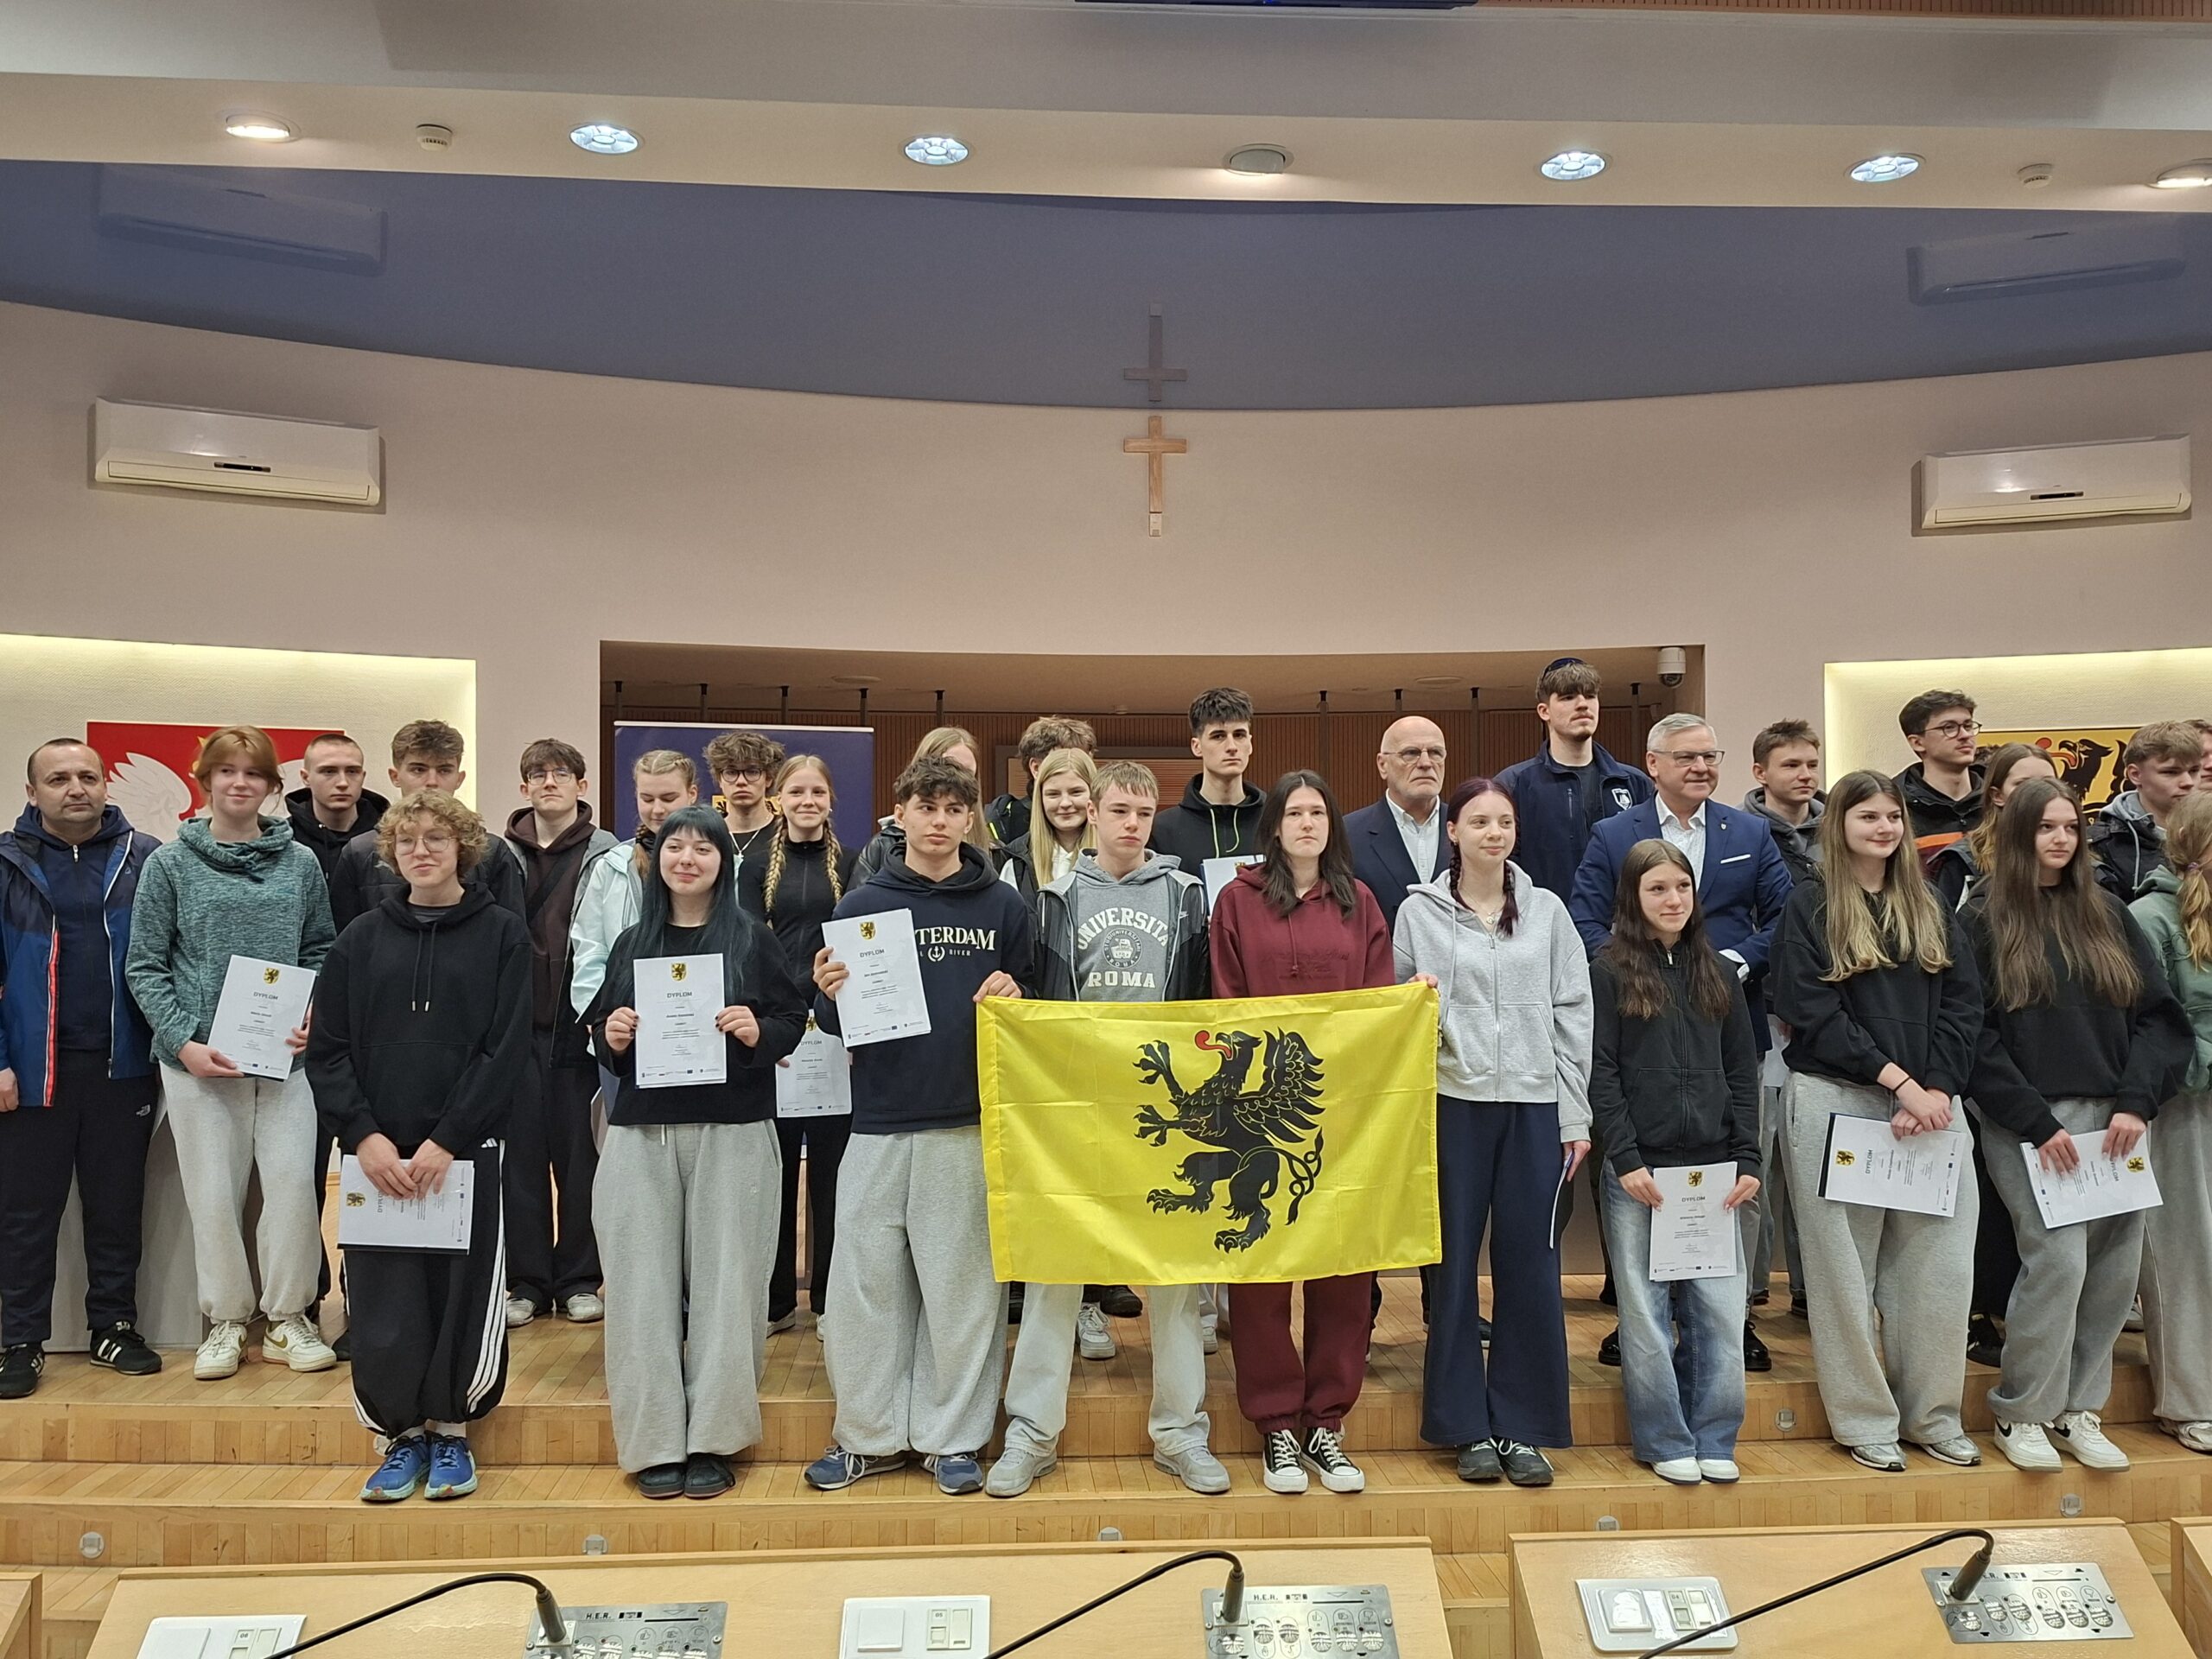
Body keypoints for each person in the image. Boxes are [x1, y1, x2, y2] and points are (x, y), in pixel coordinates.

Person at [988, 761, 1229, 1498]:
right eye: (1119, 810)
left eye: (1144, 813)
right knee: (1056, 1271)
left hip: (1164, 1113)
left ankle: (1181, 1433)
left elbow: (1204, 997)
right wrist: (1008, 993)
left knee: (1174, 1278)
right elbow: (1039, 999)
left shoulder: (1186, 894)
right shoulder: (1055, 898)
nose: (1132, 824)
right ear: (1091, 813)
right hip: (1080, 1111)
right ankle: (1032, 1432)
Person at [804, 756, 1034, 1496]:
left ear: (971, 818)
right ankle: (866, 1437)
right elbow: (838, 1022)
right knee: (864, 1291)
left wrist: (1017, 990)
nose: (939, 821)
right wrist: (826, 993)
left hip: (965, 1123)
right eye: (925, 807)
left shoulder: (1003, 906)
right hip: (876, 1121)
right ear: (899, 813)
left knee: (961, 1294)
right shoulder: (862, 903)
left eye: (953, 808)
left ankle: (953, 1440)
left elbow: (1033, 1007)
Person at [308, 791, 529, 1503]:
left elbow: (504, 1050)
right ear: (391, 852)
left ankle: (453, 1432)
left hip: (464, 1151)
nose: (421, 850)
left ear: (463, 848)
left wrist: (447, 1140)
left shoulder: (502, 935)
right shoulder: (359, 939)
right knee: (385, 1298)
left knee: (459, 1293)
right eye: (407, 840)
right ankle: (400, 1436)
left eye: (437, 838)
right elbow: (328, 1050)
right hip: (376, 1157)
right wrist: (364, 1137)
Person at [1965, 776, 2190, 1472]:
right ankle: (2023, 1410)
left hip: (2117, 1120)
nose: (2061, 839)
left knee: (2115, 1270)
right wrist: (2035, 1122)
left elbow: (2159, 1019)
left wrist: (2136, 1102)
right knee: (2059, 1262)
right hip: (2032, 1122)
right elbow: (1974, 1036)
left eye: (2070, 827)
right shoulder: (1983, 917)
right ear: (2016, 834)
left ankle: (2079, 1408)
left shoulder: (2108, 912)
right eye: (2045, 828)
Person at [588, 805, 809, 1497]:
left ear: (723, 862)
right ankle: (653, 1441)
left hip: (734, 1130)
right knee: (639, 1290)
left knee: (729, 1287)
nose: (687, 859)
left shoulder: (752, 939)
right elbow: (602, 1033)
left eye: (702, 849)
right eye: (675, 848)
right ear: (657, 861)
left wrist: (755, 1030)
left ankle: (715, 1436)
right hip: (641, 1134)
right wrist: (612, 1036)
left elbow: (789, 1022)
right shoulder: (632, 943)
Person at [1772, 771, 1984, 1472]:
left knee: (1940, 1274)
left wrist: (1936, 1088)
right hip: (1840, 1100)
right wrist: (1898, 1083)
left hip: (1933, 1110)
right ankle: (1866, 1420)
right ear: (1839, 825)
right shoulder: (1810, 905)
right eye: (1868, 816)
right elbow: (1810, 1009)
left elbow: (1965, 1004)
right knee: (1844, 1276)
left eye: (1893, 816)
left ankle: (1934, 1417)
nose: (1885, 828)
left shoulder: (1930, 904)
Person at [1570, 714, 1793, 1370]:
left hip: (1725, 1019)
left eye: (1710, 756)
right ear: (1653, 763)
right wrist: (1631, 972)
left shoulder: (1749, 833)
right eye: (1687, 757)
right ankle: (1641, 1316)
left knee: (1733, 1178)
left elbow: (1784, 915)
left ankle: (1731, 1316)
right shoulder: (1615, 834)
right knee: (1636, 1182)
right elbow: (1586, 917)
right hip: (1638, 1025)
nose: (1701, 767)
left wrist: (1735, 965)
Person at [1395, 777, 1592, 1489]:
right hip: (1453, 1104)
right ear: (1452, 831)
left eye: (1504, 822)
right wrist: (1421, 1008)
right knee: (1451, 1270)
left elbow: (1573, 1014)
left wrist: (1574, 1114)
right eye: (1478, 821)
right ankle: (1463, 1425)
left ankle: (1523, 1425)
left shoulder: (1548, 912)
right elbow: (1396, 1016)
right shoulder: (1418, 913)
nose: (1493, 833)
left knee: (1531, 1268)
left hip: (1535, 1107)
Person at [124, 725, 336, 1382]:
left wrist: (311, 1008)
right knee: (213, 1196)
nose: (240, 782)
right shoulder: (169, 864)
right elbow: (145, 965)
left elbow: (321, 947)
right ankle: (226, 1321)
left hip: (286, 1062)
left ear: (272, 785)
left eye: (253, 773)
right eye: (226, 771)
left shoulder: (301, 863)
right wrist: (183, 1042)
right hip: (200, 1064)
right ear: (206, 780)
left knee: (293, 1191)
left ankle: (289, 1318)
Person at [1211, 770, 1394, 1497]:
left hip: (1344, 1115)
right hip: (1261, 1115)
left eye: (1319, 812)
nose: (1308, 823)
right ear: (1275, 827)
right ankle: (1277, 1425)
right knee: (1261, 1270)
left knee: (1344, 1270)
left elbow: (1378, 1004)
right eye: (1295, 813)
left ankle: (1326, 1422)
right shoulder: (1237, 901)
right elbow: (1226, 1001)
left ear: (1332, 825)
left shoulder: (1360, 902)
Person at [1589, 839, 1760, 1485]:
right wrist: (1626, 1157)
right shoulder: (1609, 971)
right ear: (1633, 897)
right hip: (1640, 1173)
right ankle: (1664, 1439)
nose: (1672, 900)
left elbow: (1741, 1072)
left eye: (1682, 887)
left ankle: (1715, 1436)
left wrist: (1747, 1156)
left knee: (1719, 1312)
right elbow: (1602, 1073)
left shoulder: (1719, 972)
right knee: (1645, 1315)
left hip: (1714, 1174)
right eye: (1657, 888)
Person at [0, 740, 163, 1399]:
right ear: (32, 792)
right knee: (25, 1212)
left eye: (88, 776)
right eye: (59, 778)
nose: (76, 788)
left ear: (104, 785)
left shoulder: (146, 858)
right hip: (31, 1071)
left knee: (116, 1206)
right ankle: (19, 1339)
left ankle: (113, 1326)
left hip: (124, 1065)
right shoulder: (5, 863)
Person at [1928, 744, 2059, 1368]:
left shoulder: (2077, 877)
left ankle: (2025, 1314)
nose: (2040, 798)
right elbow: (1953, 965)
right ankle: (1980, 1311)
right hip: (1990, 1059)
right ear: (1998, 794)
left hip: (2056, 1067)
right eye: (2026, 786)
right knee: (1985, 1195)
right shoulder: (1965, 864)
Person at [737, 754, 859, 1333]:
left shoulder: (854, 864)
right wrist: (770, 1029)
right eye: (796, 792)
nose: (807, 801)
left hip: (836, 1033)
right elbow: (745, 948)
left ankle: (831, 1300)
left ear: (831, 800)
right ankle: (777, 1300)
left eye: (817, 791)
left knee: (833, 1175)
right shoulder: (752, 865)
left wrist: (849, 1026)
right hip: (779, 1035)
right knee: (777, 1174)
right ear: (778, 799)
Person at [501, 738, 615, 1329]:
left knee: (580, 1161)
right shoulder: (497, 854)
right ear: (524, 787)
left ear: (581, 785)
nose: (550, 782)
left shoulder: (609, 854)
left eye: (562, 773)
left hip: (578, 1028)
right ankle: (526, 1282)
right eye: (538, 774)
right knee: (519, 1161)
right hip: (515, 1029)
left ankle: (577, 1280)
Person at [565, 747, 701, 1179]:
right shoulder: (612, 866)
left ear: (692, 794)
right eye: (647, 798)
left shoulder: (720, 863)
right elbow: (589, 949)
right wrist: (599, 1017)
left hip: (697, 1028)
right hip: (627, 1031)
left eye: (669, 798)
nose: (657, 809)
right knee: (635, 1165)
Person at [2129, 791, 2212, 1454]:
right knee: (2185, 1253)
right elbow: (2154, 1028)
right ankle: (2190, 1401)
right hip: (2182, 1106)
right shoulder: (2148, 917)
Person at [1739, 718, 1826, 1316]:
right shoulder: (1739, 834)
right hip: (1763, 1015)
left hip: (1827, 1021)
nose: (1804, 775)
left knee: (1812, 1166)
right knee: (1756, 1159)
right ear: (1761, 772)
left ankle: (1811, 1291)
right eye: (1791, 765)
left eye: (1811, 764)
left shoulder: (1839, 832)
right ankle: (1747, 1292)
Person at [328, 721, 523, 931]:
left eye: (444, 770)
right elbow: (344, 937)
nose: (432, 782)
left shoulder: (491, 851)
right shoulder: (359, 852)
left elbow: (512, 934)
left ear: (459, 778)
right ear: (395, 776)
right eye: (418, 769)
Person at [1497, 658, 1652, 903]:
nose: (1582, 705)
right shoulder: (1513, 785)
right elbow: (1500, 865)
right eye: (1568, 697)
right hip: (1545, 922)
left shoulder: (1635, 783)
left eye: (1590, 696)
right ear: (1544, 711)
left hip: (1622, 924)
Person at [1346, 716, 1452, 931]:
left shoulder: (1468, 828)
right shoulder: (1347, 834)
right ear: (1382, 765)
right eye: (1411, 753)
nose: (1426, 763)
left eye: (1435, 753)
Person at [1151, 689, 1264, 883]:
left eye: (1239, 735)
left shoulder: (1277, 821)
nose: (1232, 747)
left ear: (1250, 744)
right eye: (1218, 736)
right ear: (1197, 746)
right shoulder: (1162, 830)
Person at [1929, 744, 2059, 913]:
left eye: (2048, 783)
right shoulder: (1963, 861)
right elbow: (1949, 926)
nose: (2038, 793)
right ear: (1997, 795)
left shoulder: (2073, 852)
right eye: (2023, 784)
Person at [853, 728, 987, 885]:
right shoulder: (882, 847)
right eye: (948, 767)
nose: (957, 779)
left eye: (967, 772)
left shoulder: (994, 851)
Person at [2093, 721, 2203, 904]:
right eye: (2171, 772)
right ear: (2135, 775)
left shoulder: (2206, 832)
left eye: (2194, 770)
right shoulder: (2101, 845)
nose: (2188, 782)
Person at [998, 747, 1097, 907]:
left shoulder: (1117, 860)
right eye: (1053, 794)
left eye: (1076, 792)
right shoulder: (1017, 864)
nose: (1065, 803)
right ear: (1040, 799)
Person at [1894, 690, 1984, 864]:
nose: (1965, 735)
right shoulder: (1896, 806)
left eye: (1968, 726)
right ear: (1917, 742)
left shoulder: (2000, 799)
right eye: (1949, 728)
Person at [986, 716, 1098, 850]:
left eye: (1082, 760)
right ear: (1036, 768)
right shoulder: (1004, 824)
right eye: (1061, 759)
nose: (1073, 764)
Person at [284, 733, 386, 879]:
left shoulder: (389, 838)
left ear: (362, 777)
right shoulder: (285, 840)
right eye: (329, 771)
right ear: (306, 778)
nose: (342, 783)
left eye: (352, 771)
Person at [706, 728, 788, 870]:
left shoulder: (787, 835)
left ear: (769, 778)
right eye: (731, 772)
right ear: (720, 779)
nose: (741, 781)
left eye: (752, 772)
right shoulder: (707, 835)